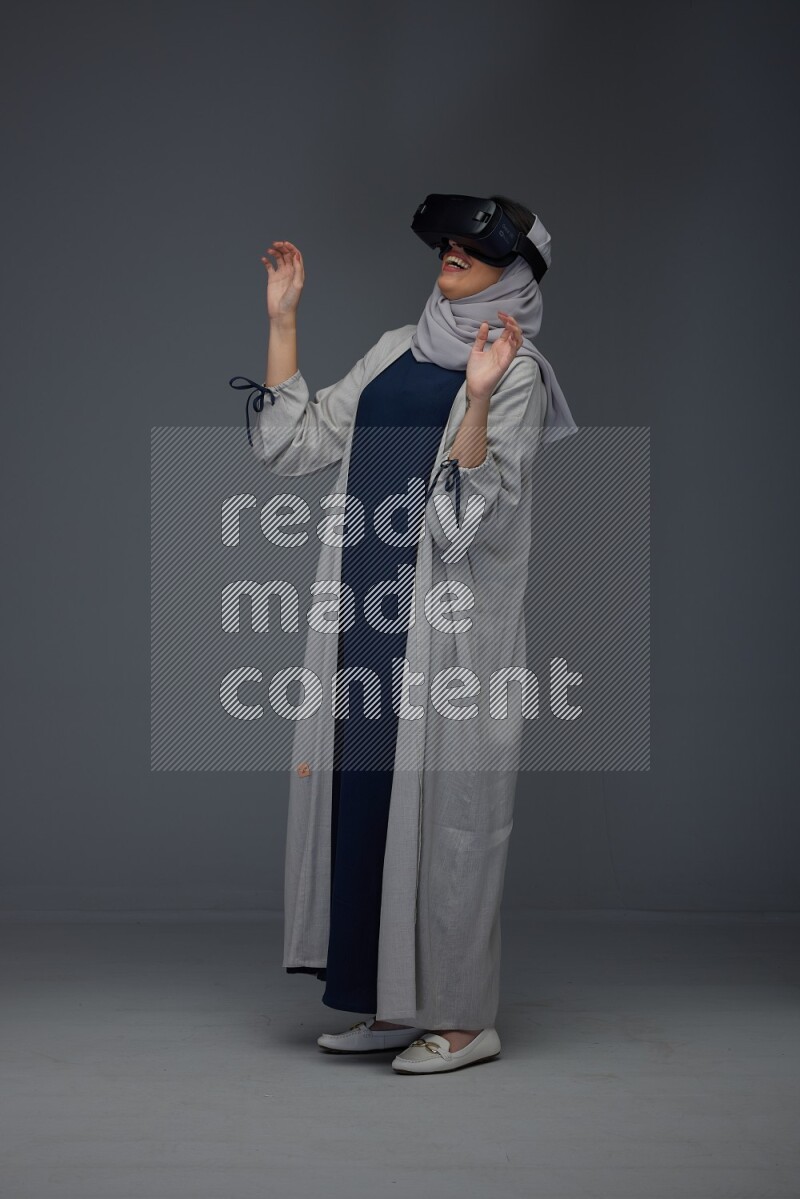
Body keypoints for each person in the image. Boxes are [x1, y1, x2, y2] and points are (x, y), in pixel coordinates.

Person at [240, 195, 577, 1074]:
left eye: (477, 247)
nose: (454, 254)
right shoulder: (398, 347)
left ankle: (464, 1020)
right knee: (368, 807)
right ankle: (392, 1001)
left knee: (451, 820)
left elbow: (470, 524)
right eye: (449, 244)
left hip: (447, 636)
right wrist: (283, 322)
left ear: (518, 272)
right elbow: (296, 445)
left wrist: (474, 397)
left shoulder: (519, 373)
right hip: (364, 617)